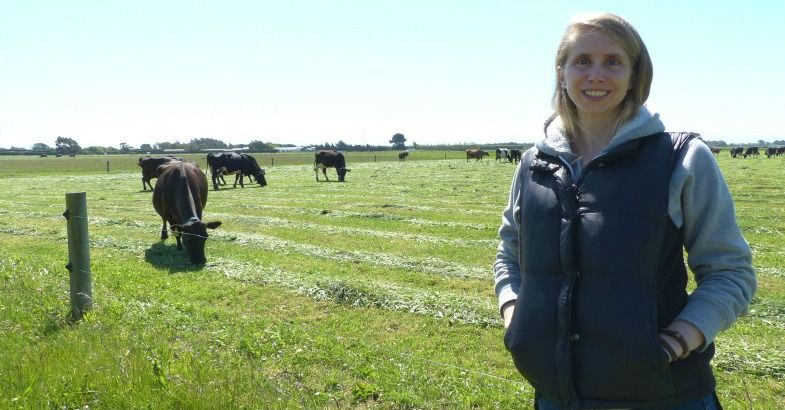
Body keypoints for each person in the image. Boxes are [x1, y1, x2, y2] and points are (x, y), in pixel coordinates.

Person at [493, 12, 756, 410]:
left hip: (663, 395)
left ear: (635, 75)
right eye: (582, 61)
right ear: (562, 72)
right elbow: (509, 253)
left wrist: (676, 341)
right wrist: (515, 315)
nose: (596, 74)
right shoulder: (533, 164)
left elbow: (730, 271)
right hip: (555, 395)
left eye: (613, 62)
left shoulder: (681, 159)